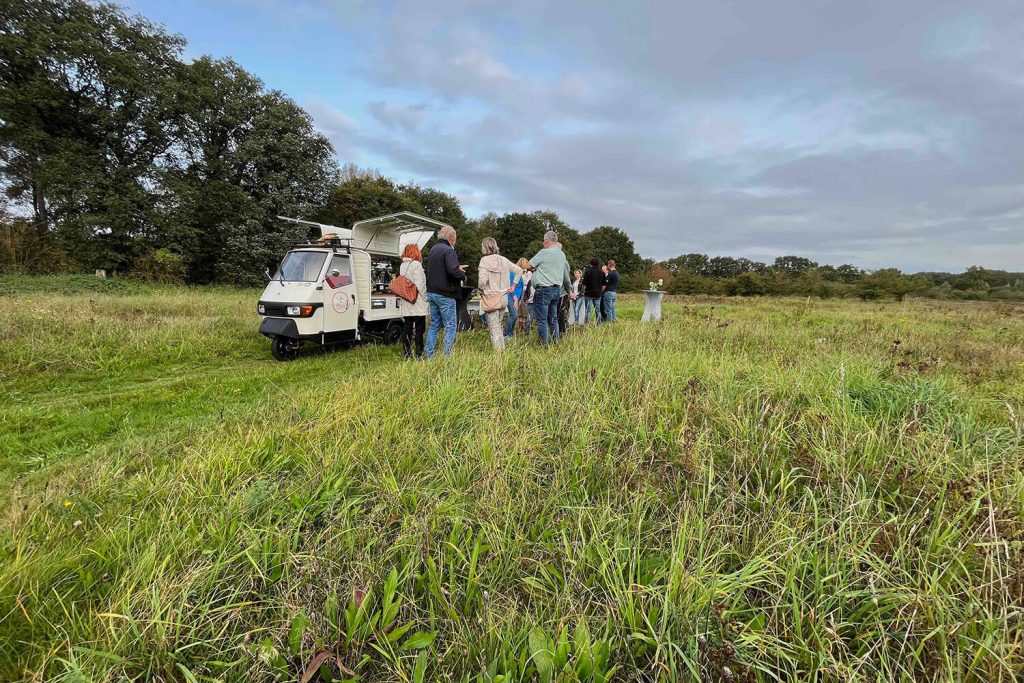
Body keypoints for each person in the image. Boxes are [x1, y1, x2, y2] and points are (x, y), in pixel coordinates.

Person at [424, 225, 467, 358]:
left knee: (434, 325)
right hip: (445, 293)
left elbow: (440, 268)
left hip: (432, 292)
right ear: (452, 237)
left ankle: (429, 355)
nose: (456, 241)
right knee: (450, 326)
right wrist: (462, 275)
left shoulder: (433, 249)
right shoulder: (449, 250)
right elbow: (452, 271)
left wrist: (455, 268)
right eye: (456, 238)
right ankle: (447, 357)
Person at [478, 237, 523, 351]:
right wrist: (512, 286)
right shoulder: (504, 260)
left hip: (492, 298)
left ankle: (499, 355)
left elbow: (482, 281)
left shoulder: (484, 260)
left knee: (494, 328)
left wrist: (481, 288)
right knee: (498, 325)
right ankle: (502, 351)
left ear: (484, 247)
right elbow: (519, 270)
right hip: (504, 297)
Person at [527, 230, 572, 344]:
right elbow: (565, 276)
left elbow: (528, 265)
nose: (543, 243)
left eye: (544, 241)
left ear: (547, 240)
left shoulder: (544, 252)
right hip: (556, 290)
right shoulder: (562, 255)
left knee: (542, 320)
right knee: (553, 319)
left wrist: (535, 269)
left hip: (543, 289)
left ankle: (544, 344)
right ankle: (555, 342)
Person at [398, 244, 427, 359]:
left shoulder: (402, 265)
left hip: (406, 300)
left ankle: (407, 352)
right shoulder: (416, 265)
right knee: (420, 329)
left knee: (407, 328)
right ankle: (419, 353)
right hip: (417, 301)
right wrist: (425, 298)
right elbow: (420, 284)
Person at [504, 257, 527, 341]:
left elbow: (520, 287)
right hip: (511, 298)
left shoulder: (519, 274)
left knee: (514, 316)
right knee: (514, 316)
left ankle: (510, 334)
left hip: (516, 299)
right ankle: (506, 334)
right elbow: (511, 287)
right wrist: (515, 299)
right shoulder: (513, 273)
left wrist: (520, 299)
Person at [581, 258, 606, 323]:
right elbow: (604, 285)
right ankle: (599, 324)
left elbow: (584, 284)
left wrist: (583, 291)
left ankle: (587, 324)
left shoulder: (588, 272)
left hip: (588, 294)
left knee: (588, 311)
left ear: (590, 264)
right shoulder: (602, 273)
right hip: (598, 294)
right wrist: (600, 291)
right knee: (598, 310)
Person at [518, 258, 534, 334]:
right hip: (519, 291)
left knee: (525, 310)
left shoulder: (529, 273)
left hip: (525, 292)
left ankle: (525, 327)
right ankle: (520, 326)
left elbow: (527, 283)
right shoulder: (518, 272)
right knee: (520, 309)